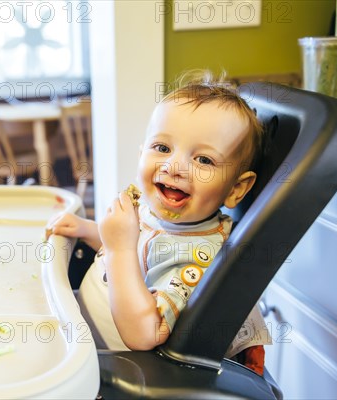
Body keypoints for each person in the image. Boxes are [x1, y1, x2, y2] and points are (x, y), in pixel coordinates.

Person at [47, 71, 272, 374]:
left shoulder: (196, 258)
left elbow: (144, 332)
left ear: (236, 189)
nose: (174, 166)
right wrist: (91, 231)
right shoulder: (157, 210)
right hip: (75, 335)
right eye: (163, 148)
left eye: (204, 160)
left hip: (116, 374)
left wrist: (118, 249)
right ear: (142, 154)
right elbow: (140, 252)